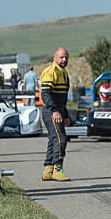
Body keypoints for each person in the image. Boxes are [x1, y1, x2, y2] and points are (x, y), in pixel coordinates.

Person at [40, 47, 71, 181]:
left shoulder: (63, 73)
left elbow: (62, 98)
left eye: (66, 57)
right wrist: (54, 111)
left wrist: (66, 114)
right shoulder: (50, 72)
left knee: (54, 138)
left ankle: (48, 169)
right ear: (54, 57)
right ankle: (58, 168)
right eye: (61, 57)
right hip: (50, 110)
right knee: (60, 139)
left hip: (59, 110)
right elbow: (45, 94)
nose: (64, 60)